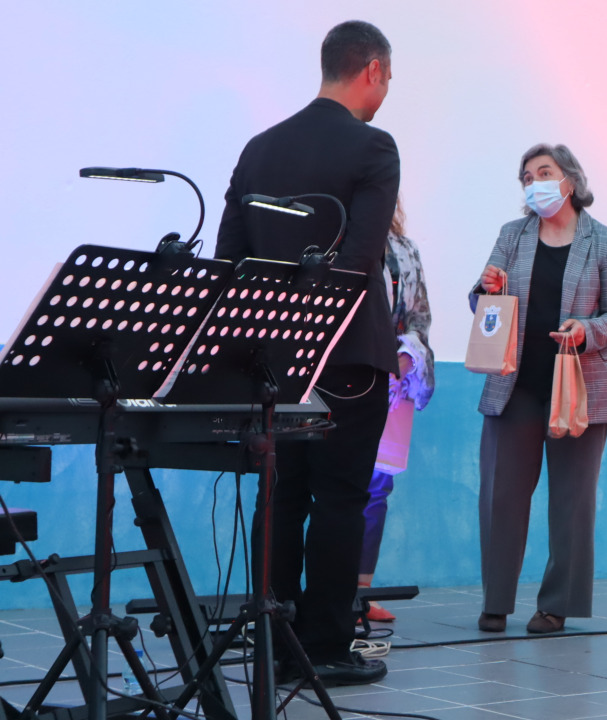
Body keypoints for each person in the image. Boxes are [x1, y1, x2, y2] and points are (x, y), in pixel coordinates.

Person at [215, 20, 398, 685]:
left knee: (282, 496)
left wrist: (268, 339)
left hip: (272, 359)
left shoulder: (260, 148)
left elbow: (227, 263)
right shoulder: (373, 147)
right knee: (342, 498)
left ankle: (274, 635)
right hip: (346, 356)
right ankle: (323, 648)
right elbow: (360, 261)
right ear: (372, 70)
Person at [472, 143, 607, 635]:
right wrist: (484, 290)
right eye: (526, 177)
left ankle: (556, 605)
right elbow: (484, 304)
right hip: (515, 386)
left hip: (580, 386)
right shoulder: (512, 235)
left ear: (570, 179)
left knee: (572, 502)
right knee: (501, 496)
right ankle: (496, 601)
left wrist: (586, 330)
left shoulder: (605, 241)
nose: (533, 182)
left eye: (543, 172)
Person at [359, 199, 435, 623]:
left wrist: (406, 355)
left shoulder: (404, 249)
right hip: (340, 379)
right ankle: (315, 593)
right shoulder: (333, 241)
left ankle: (359, 595)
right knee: (332, 489)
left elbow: (419, 317)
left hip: (393, 381)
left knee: (376, 490)